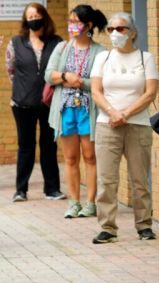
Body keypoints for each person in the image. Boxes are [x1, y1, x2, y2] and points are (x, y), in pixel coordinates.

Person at [90, 12, 159, 244]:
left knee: (139, 178)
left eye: (120, 29)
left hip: (137, 125)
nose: (115, 34)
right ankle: (107, 227)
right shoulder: (103, 58)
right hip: (107, 124)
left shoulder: (145, 58)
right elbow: (96, 90)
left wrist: (126, 114)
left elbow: (150, 92)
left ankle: (144, 225)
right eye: (110, 29)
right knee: (106, 179)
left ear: (132, 32)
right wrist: (113, 112)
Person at [45, 5, 107, 218]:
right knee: (70, 158)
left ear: (88, 25)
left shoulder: (100, 52)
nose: (72, 26)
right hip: (65, 110)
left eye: (76, 22)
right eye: (70, 21)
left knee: (90, 157)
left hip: (89, 110)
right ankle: (73, 201)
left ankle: (90, 202)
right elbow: (48, 75)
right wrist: (64, 77)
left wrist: (81, 82)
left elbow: (102, 82)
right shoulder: (62, 47)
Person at [5, 3, 65, 203]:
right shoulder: (16, 42)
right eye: (29, 17)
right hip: (22, 103)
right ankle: (21, 190)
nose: (33, 19)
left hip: (49, 103)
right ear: (25, 20)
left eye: (36, 15)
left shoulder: (57, 42)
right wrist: (26, 88)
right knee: (26, 146)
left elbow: (60, 69)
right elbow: (11, 70)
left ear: (44, 17)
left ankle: (52, 189)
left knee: (49, 146)